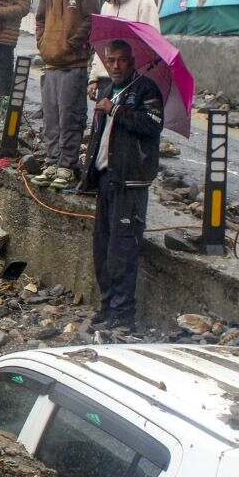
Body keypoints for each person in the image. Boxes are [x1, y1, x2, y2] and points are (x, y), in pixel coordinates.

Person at [81, 40, 164, 330]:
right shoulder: (107, 90)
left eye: (121, 60)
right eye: (110, 60)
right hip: (106, 178)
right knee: (102, 247)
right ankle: (107, 306)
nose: (115, 66)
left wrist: (116, 111)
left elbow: (152, 124)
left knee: (122, 248)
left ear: (132, 61)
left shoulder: (145, 89)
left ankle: (122, 313)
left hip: (131, 181)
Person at [33, 0, 100, 190]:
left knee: (70, 116)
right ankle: (51, 162)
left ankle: (67, 165)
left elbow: (91, 20)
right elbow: (40, 18)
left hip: (74, 64)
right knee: (51, 117)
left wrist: (71, 44)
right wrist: (42, 42)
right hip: (50, 64)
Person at [88, 0, 160, 101]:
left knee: (125, 121)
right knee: (102, 123)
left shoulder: (144, 1)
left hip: (133, 82)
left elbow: (152, 45)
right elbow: (101, 46)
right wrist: (94, 78)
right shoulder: (107, 6)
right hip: (106, 82)